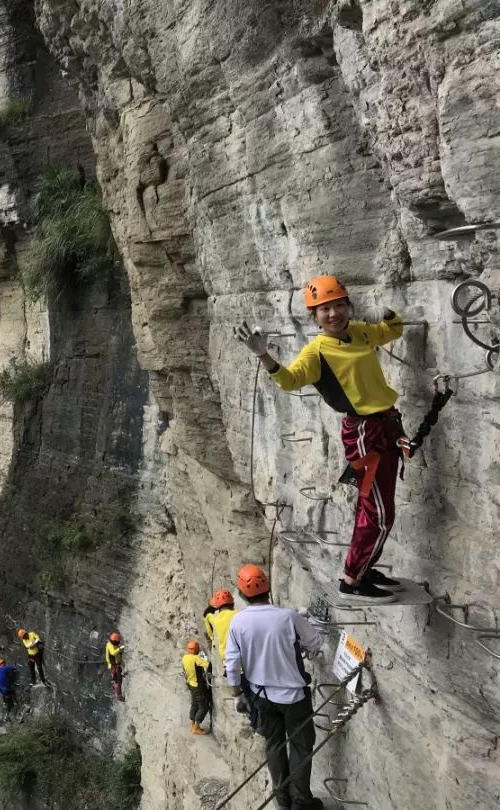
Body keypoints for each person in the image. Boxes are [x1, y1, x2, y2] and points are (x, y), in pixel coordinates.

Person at [235, 275, 405, 603]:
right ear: (314, 317)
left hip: (385, 426)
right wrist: (264, 356)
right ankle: (352, 580)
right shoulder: (317, 352)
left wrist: (382, 312)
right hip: (365, 433)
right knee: (380, 514)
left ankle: (365, 569)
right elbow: (290, 380)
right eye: (324, 309)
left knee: (373, 508)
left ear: (348, 306)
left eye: (338, 305)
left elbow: (393, 330)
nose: (333, 314)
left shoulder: (359, 332)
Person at [224, 564, 324, 810]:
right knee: (301, 746)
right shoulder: (289, 617)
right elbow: (315, 641)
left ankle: (283, 800)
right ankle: (301, 801)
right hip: (294, 697)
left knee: (274, 745)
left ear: (242, 593)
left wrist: (237, 692)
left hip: (262, 696)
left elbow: (232, 663)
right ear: (268, 588)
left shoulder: (238, 623)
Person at [181, 639, 211, 735]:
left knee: (194, 704)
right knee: (204, 707)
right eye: (197, 648)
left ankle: (192, 725)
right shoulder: (195, 659)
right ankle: (196, 727)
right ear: (195, 650)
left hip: (190, 684)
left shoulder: (184, 658)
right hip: (198, 686)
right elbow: (207, 665)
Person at [105, 631, 125, 701]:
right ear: (114, 641)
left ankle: (114, 689)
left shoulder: (111, 644)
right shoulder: (110, 645)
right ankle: (118, 696)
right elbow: (113, 653)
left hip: (115, 665)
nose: (118, 643)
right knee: (118, 681)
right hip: (113, 666)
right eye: (117, 642)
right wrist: (120, 649)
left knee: (118, 679)